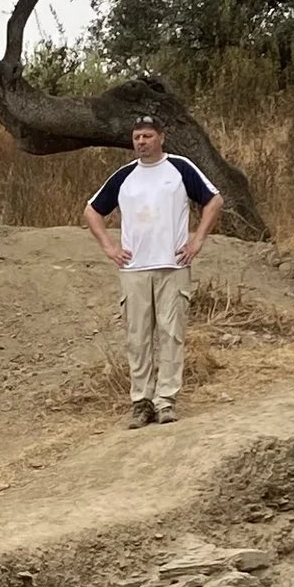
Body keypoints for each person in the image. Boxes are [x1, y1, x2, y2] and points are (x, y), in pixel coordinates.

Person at [82, 115, 224, 425]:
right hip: (134, 268)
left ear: (161, 137)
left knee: (171, 334)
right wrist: (109, 246)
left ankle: (166, 400)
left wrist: (197, 240)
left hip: (173, 264)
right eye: (137, 137)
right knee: (138, 336)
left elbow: (214, 200)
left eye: (147, 136)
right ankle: (141, 401)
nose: (141, 142)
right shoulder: (124, 176)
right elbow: (92, 210)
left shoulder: (180, 168)